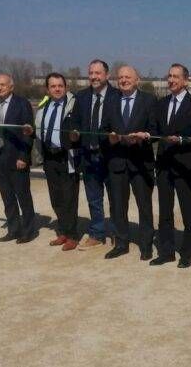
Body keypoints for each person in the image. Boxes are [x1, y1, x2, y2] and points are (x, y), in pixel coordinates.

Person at [147, 63, 191, 268]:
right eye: (169, 76)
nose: (171, 80)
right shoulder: (161, 104)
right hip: (163, 164)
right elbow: (154, 131)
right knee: (165, 210)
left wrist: (181, 140)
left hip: (185, 165)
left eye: (175, 76)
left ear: (185, 80)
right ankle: (166, 251)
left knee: (187, 210)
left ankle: (187, 253)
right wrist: (144, 136)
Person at [101, 65, 157, 261]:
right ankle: (121, 243)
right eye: (120, 77)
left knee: (144, 206)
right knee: (118, 206)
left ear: (137, 80)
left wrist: (145, 136)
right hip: (117, 162)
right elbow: (104, 129)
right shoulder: (110, 101)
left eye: (128, 77)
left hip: (141, 162)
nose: (123, 80)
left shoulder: (149, 100)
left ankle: (146, 245)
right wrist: (110, 138)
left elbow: (154, 130)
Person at [69, 59, 119, 251]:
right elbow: (75, 122)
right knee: (94, 199)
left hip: (111, 156)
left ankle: (117, 233)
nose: (94, 77)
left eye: (98, 73)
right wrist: (74, 132)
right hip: (88, 157)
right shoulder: (81, 97)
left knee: (115, 198)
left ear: (106, 75)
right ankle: (97, 233)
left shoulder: (117, 96)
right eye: (91, 73)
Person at [0, 73, 37, 243]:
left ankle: (28, 231)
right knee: (7, 198)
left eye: (3, 85)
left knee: (23, 196)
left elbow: (29, 133)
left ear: (11, 87)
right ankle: (13, 229)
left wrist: (24, 157)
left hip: (17, 160)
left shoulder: (22, 104)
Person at [32, 72, 81, 251]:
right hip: (49, 157)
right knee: (56, 198)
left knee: (69, 198)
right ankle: (63, 231)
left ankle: (73, 235)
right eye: (53, 86)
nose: (57, 89)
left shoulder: (73, 104)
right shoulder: (44, 105)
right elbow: (38, 128)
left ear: (65, 87)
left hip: (66, 156)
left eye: (60, 85)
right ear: (47, 89)